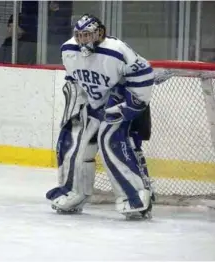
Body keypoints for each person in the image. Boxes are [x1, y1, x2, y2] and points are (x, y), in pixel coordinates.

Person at [46, 14, 155, 219]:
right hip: (93, 103)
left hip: (119, 100)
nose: (82, 40)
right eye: (79, 35)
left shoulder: (116, 50)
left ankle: (134, 195)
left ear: (99, 33)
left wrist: (133, 104)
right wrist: (75, 105)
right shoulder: (68, 50)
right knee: (71, 141)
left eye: (87, 35)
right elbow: (74, 80)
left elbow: (145, 73)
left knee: (110, 141)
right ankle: (74, 191)